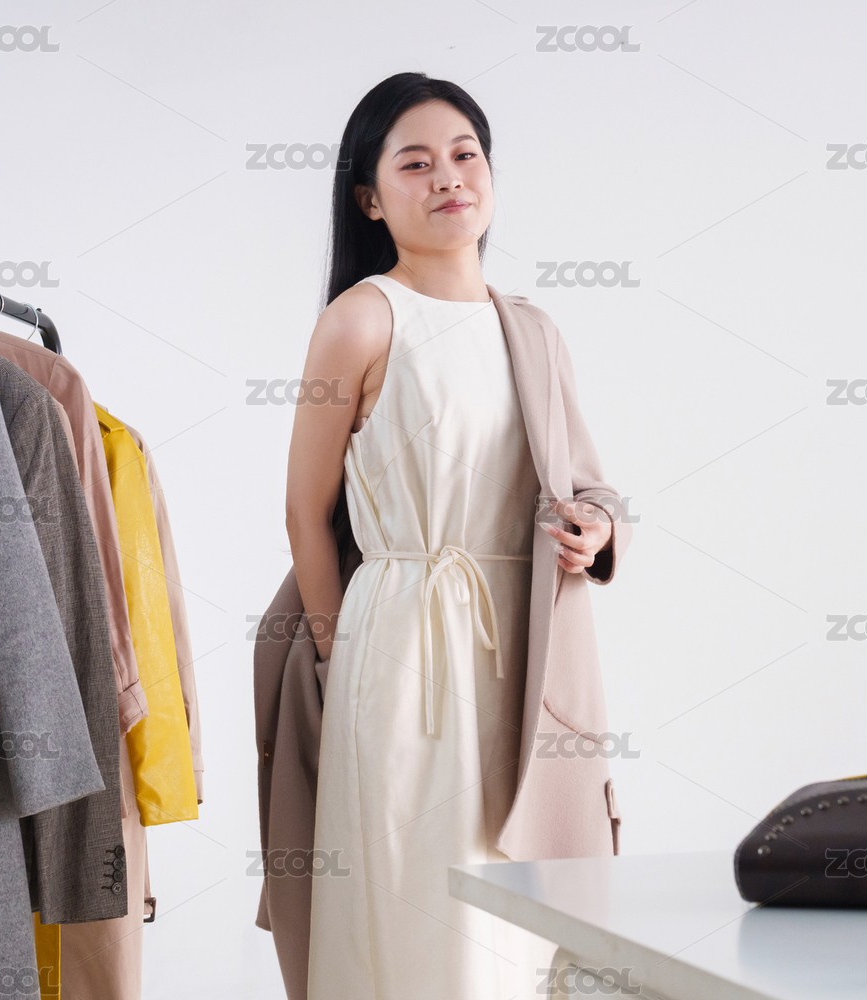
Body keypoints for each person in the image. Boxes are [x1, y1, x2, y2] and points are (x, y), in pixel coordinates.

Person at [283, 72, 627, 999]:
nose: (448, 177)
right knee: (418, 905)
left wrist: (596, 529)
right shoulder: (361, 319)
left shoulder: (534, 330)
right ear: (370, 197)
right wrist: (337, 656)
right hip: (403, 649)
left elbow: (591, 486)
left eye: (465, 154)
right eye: (415, 163)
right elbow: (306, 512)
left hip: (526, 647)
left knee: (522, 912)